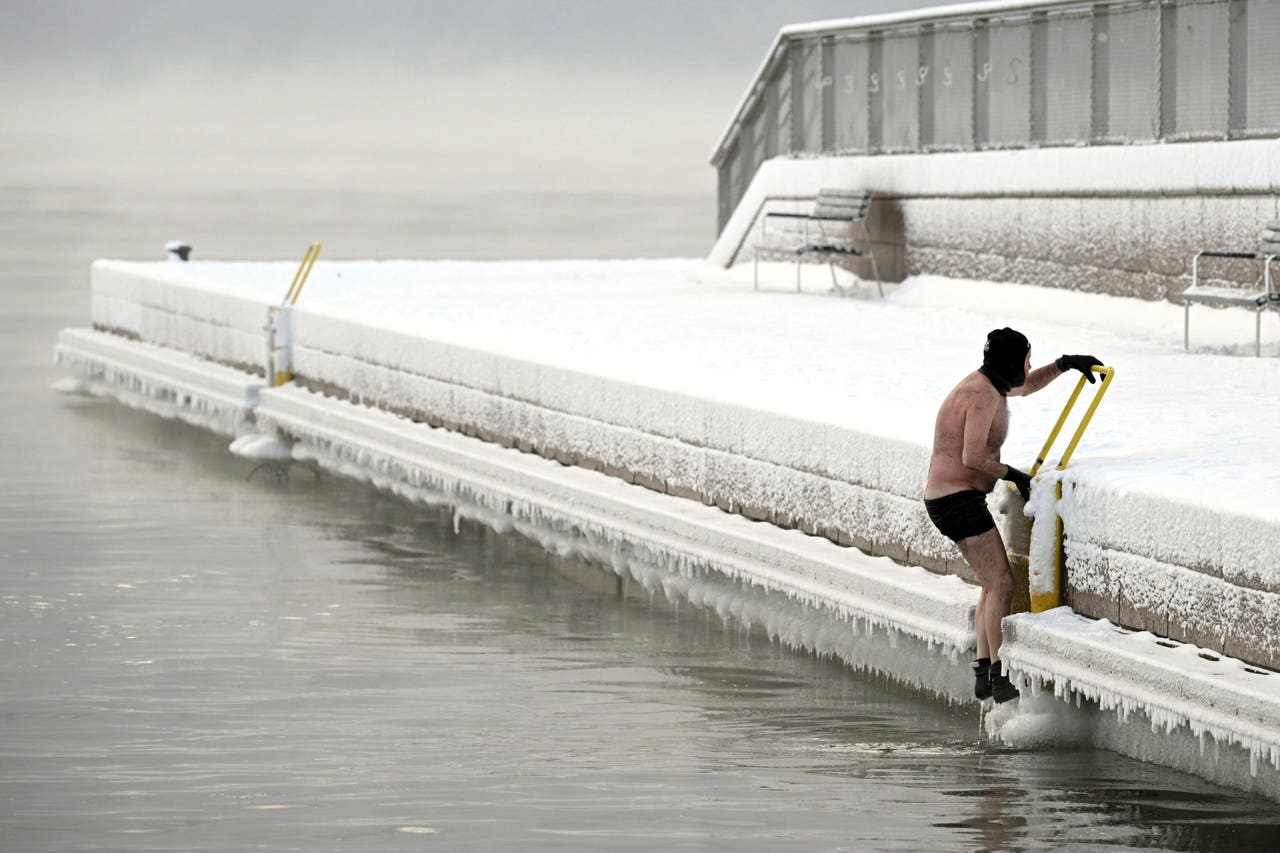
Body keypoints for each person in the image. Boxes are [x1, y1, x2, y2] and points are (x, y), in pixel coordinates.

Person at [923, 328, 1101, 703]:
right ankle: (998, 673)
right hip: (955, 501)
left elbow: (1027, 385)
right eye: (1026, 359)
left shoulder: (992, 385)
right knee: (1001, 584)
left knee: (992, 584)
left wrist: (1066, 365)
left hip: (957, 499)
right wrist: (1014, 475)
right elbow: (971, 458)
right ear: (1010, 362)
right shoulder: (981, 395)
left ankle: (985, 672)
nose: (1030, 366)